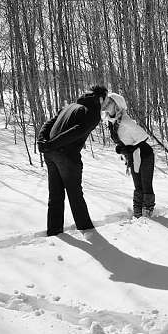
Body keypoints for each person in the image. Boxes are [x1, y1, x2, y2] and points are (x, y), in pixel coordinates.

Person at [38, 85, 108, 236]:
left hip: (51, 154)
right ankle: (87, 231)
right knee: (75, 193)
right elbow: (77, 131)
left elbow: (48, 123)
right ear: (100, 98)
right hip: (66, 155)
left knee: (55, 194)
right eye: (105, 99)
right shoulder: (92, 112)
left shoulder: (70, 106)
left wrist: (43, 141)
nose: (105, 104)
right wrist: (49, 144)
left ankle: (54, 232)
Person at [102, 92, 155, 218]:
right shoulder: (112, 121)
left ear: (117, 105)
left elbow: (143, 136)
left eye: (109, 103)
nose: (106, 105)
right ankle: (138, 214)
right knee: (138, 186)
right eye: (106, 102)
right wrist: (123, 148)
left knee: (145, 185)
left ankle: (147, 214)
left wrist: (128, 148)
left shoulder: (125, 121)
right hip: (133, 156)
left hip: (145, 155)